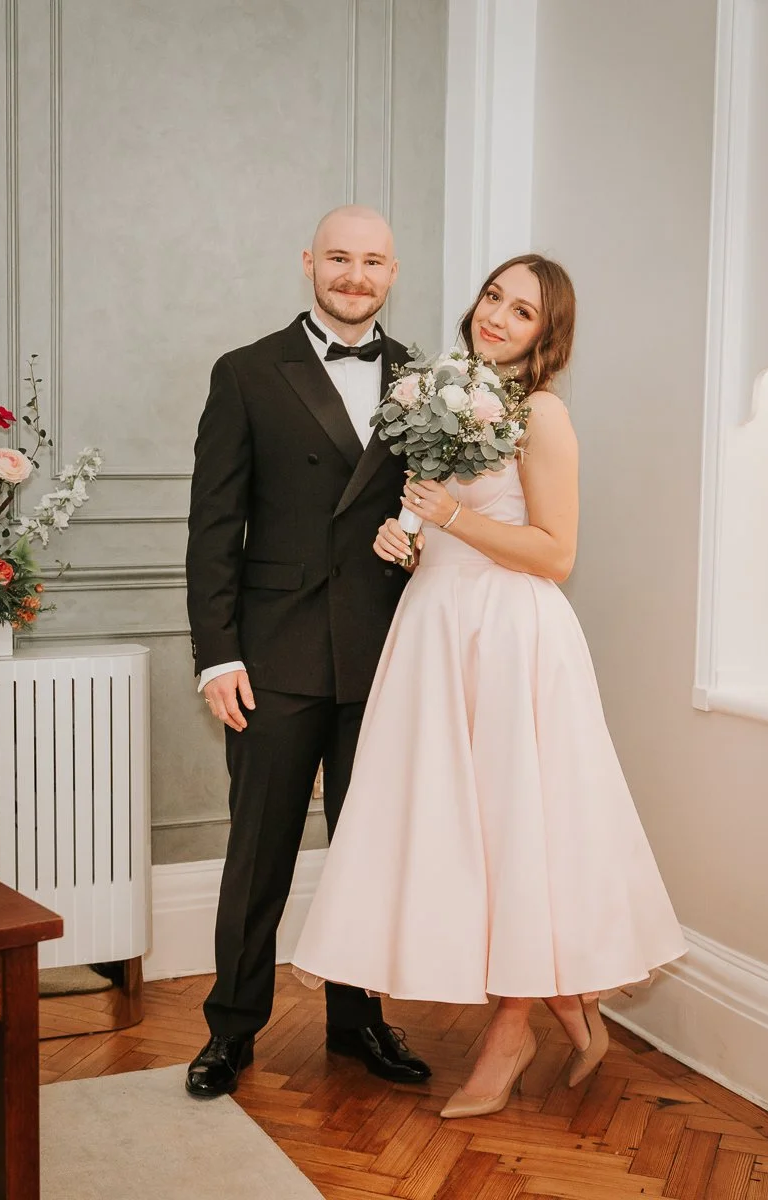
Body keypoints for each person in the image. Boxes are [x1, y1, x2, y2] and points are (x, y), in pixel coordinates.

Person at [291, 253, 687, 1117]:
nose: (498, 318)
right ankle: (569, 1005)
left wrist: (452, 518)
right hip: (437, 629)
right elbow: (441, 523)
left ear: (548, 335)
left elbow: (555, 552)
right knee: (455, 826)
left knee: (518, 829)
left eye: (523, 312)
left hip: (510, 638)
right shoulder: (446, 395)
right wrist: (410, 541)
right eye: (494, 298)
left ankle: (514, 1030)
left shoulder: (541, 413)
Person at [184, 205, 431, 1099]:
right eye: (338, 257)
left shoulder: (425, 380)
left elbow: (442, 512)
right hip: (273, 656)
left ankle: (357, 1021)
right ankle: (231, 1028)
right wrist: (218, 655)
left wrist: (422, 544)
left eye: (372, 261)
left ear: (393, 274)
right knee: (259, 854)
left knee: (368, 847)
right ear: (307, 264)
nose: (354, 275)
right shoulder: (247, 372)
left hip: (385, 656)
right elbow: (213, 525)